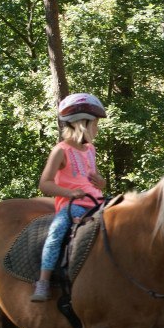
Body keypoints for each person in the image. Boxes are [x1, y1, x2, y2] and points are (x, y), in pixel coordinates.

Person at [31, 93, 108, 302]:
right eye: (95, 124)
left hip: (97, 203)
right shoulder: (61, 151)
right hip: (73, 205)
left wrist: (100, 182)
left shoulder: (90, 149)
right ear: (82, 123)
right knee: (56, 233)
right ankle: (44, 281)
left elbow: (93, 180)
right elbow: (45, 183)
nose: (97, 128)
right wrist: (69, 193)